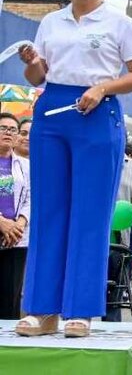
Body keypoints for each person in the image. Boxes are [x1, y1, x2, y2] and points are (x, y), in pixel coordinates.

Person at [15, 0, 132, 337]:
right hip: (52, 111)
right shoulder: (50, 21)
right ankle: (42, 310)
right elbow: (37, 75)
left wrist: (104, 87)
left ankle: (81, 310)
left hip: (97, 111)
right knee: (49, 211)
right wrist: (32, 61)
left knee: (90, 214)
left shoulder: (118, 24)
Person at [0, 112, 30, 319]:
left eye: (13, 130)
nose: (8, 133)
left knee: (10, 297)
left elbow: (31, 197)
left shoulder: (25, 165)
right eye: (3, 128)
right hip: (3, 227)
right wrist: (1, 222)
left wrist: (19, 223)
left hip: (15, 238)